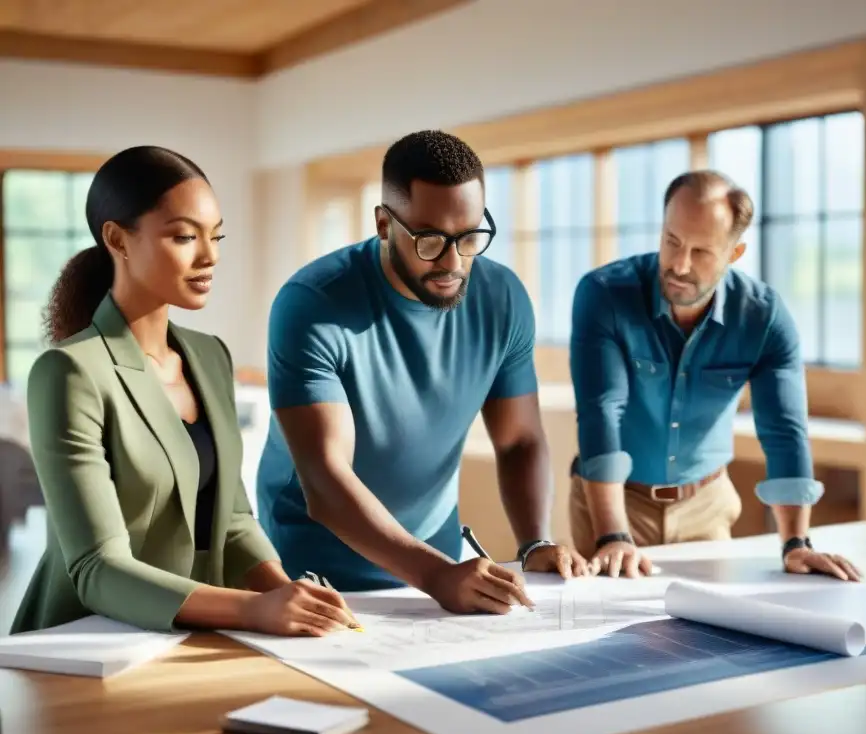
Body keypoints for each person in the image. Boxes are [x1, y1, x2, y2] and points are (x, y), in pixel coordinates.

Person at [11, 146, 357, 636]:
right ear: (117, 239)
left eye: (216, 237)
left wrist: (284, 593)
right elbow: (97, 568)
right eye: (183, 236)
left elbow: (233, 521)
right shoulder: (68, 373)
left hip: (197, 638)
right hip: (87, 644)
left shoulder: (210, 357)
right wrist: (252, 610)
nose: (209, 256)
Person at [258, 129, 589, 614]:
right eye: (430, 240)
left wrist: (533, 543)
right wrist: (435, 575)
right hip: (313, 573)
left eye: (471, 236)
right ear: (384, 225)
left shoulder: (503, 299)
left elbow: (519, 440)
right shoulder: (311, 304)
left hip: (437, 568)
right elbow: (326, 480)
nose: (454, 262)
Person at [568, 170, 861, 582]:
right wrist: (613, 534)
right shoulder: (603, 295)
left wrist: (796, 542)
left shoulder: (764, 317)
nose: (679, 265)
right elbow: (601, 411)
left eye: (702, 251)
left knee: (708, 637)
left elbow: (784, 430)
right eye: (672, 241)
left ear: (734, 253)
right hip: (614, 503)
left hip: (706, 505)